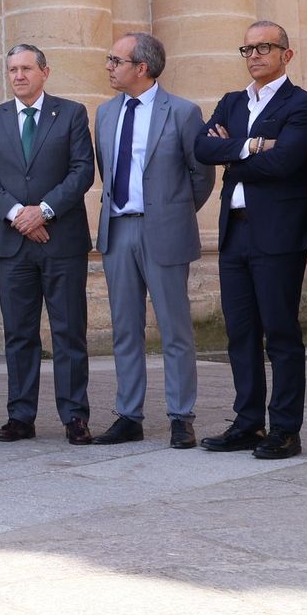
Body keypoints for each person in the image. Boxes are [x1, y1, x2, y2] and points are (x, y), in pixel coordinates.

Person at [194, 22, 307, 459]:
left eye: (264, 46)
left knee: (281, 333)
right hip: (235, 232)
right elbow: (202, 149)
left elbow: (288, 161)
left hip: (278, 234)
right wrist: (255, 147)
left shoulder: (303, 104)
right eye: (247, 47)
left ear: (287, 54)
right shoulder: (231, 102)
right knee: (240, 333)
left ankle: (285, 429)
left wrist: (236, 153)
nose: (254, 54)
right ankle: (248, 423)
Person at [0, 44, 96, 445]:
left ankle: (74, 415)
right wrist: (17, 215)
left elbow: (81, 172)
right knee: (19, 333)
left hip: (62, 241)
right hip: (13, 245)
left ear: (45, 72)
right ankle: (20, 415)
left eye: (26, 68)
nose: (19, 76)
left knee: (68, 331)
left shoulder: (72, 113)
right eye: (12, 70)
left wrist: (43, 211)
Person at [93, 33, 213, 448]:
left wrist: (172, 212)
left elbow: (201, 176)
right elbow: (105, 170)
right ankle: (129, 414)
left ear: (141, 68)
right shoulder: (105, 114)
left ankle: (181, 416)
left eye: (115, 60)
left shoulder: (182, 112)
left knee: (175, 328)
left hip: (164, 230)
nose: (108, 66)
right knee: (125, 328)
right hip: (118, 229)